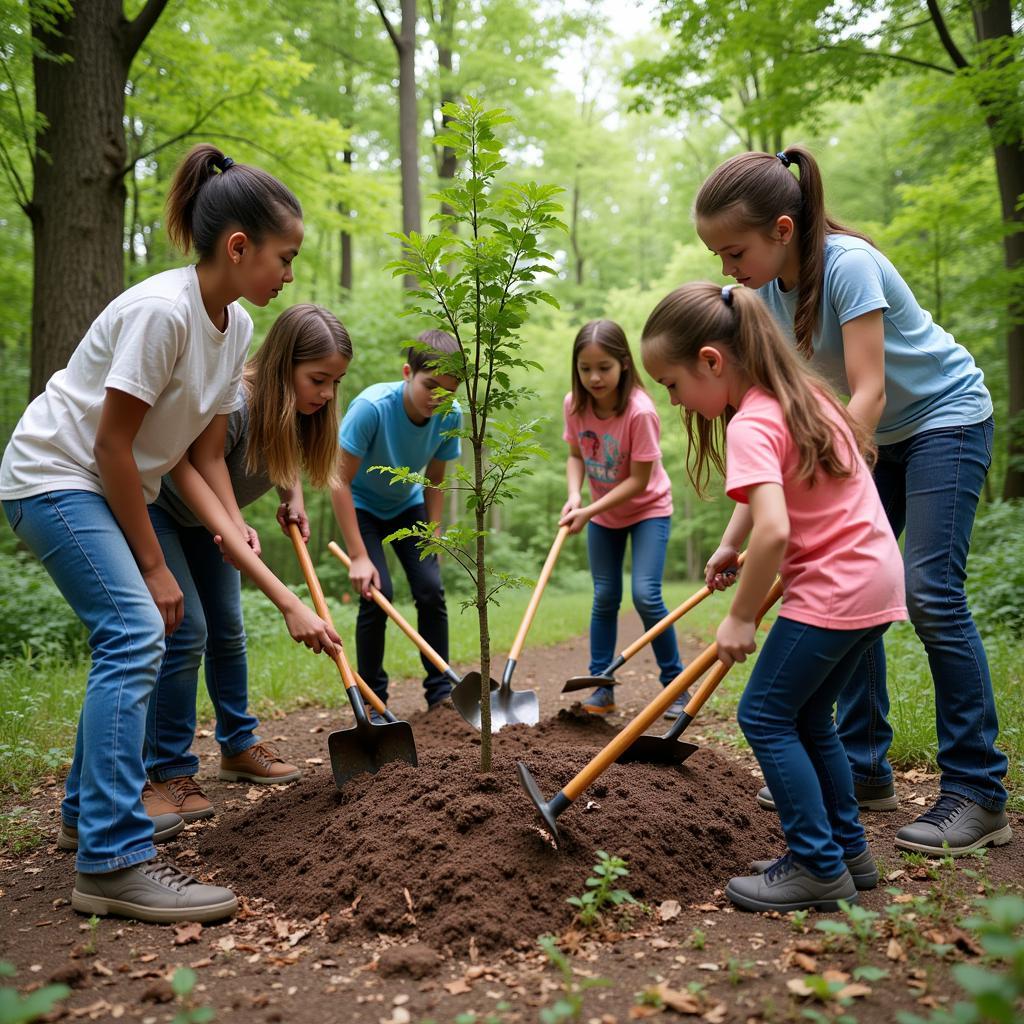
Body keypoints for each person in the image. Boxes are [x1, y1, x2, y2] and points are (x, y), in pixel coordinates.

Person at [0, 144, 340, 924]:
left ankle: (88, 816)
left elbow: (203, 455)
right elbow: (112, 448)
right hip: (56, 477)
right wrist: (156, 568)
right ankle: (114, 861)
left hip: (107, 480)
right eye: (285, 257)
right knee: (137, 629)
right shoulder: (162, 312)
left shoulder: (236, 324)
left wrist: (245, 550)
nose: (290, 273)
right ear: (238, 247)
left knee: (147, 630)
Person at [694, 145, 1012, 857]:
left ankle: (979, 791)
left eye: (733, 249)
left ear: (781, 228)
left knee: (929, 590)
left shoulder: (848, 265)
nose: (726, 268)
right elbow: (781, 414)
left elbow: (867, 390)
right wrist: (740, 525)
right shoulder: (770, 296)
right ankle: (862, 766)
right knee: (843, 582)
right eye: (716, 254)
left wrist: (825, 481)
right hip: (877, 436)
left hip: (944, 419)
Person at [642, 281, 908, 911]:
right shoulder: (803, 397)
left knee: (763, 715)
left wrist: (738, 619)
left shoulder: (751, 423)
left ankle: (816, 866)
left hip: (833, 591)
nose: (675, 399)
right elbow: (781, 495)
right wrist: (731, 545)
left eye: (673, 385)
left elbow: (777, 527)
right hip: (876, 577)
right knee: (812, 717)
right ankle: (847, 854)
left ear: (711, 361)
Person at [143, 304, 352, 822]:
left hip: (206, 519)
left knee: (229, 630)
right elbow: (202, 466)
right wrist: (236, 526)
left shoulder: (299, 407)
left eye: (334, 382)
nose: (327, 393)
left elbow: (288, 450)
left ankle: (237, 745)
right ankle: (168, 769)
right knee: (186, 629)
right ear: (283, 365)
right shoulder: (234, 404)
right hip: (159, 510)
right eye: (318, 379)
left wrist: (293, 496)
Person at [559, 320, 685, 716]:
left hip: (648, 510)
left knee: (646, 595)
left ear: (625, 364)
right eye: (585, 368)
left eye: (604, 367)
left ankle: (676, 686)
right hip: (602, 516)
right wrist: (573, 496)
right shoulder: (574, 406)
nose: (594, 377)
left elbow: (639, 481)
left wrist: (588, 510)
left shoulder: (640, 412)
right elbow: (576, 456)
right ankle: (601, 687)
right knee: (605, 597)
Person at [331, 329, 462, 710]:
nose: (437, 399)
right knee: (378, 594)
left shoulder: (449, 416)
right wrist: (358, 556)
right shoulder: (372, 407)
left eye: (448, 392)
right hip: (362, 505)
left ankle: (441, 693)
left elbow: (435, 480)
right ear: (408, 372)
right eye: (430, 386)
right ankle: (374, 699)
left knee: (430, 588)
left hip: (408, 503)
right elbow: (338, 479)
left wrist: (433, 533)